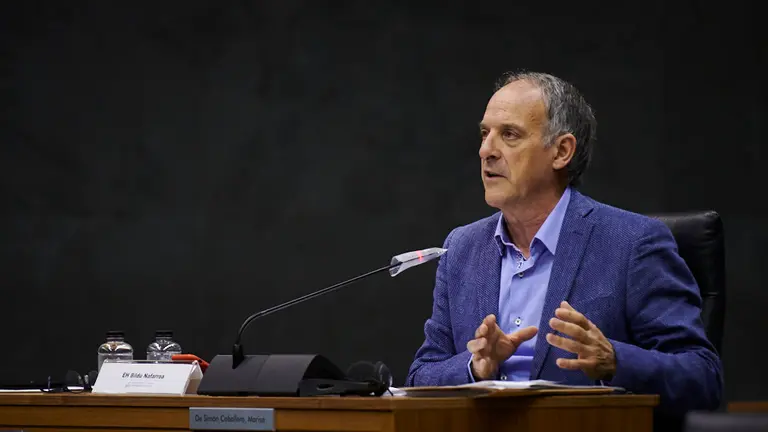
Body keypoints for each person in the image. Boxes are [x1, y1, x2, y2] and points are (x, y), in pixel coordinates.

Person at [405, 71, 722, 418]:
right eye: (485, 134)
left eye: (509, 135)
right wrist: (476, 367)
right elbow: (421, 375)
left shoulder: (632, 243)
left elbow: (702, 378)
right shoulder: (462, 249)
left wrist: (613, 360)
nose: (486, 150)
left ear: (561, 151)